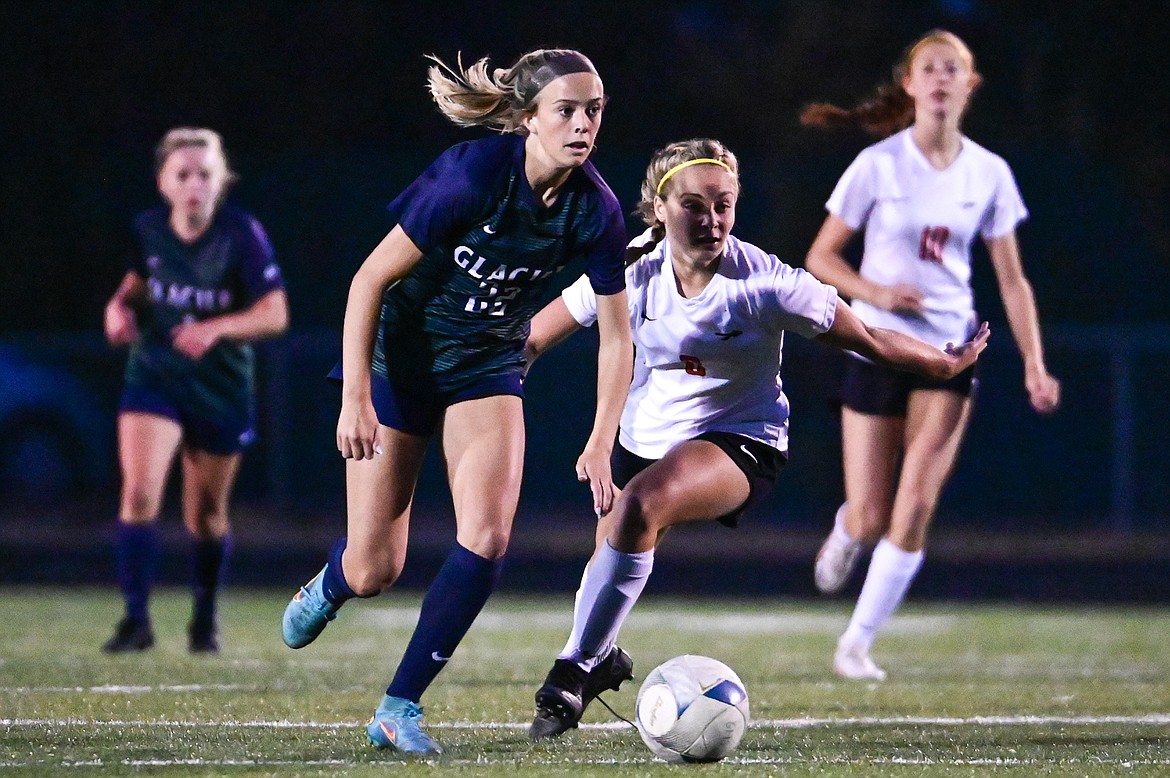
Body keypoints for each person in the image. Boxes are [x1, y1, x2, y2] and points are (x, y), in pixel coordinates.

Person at [522, 138, 990, 740]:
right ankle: (599, 656)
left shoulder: (765, 281)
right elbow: (535, 337)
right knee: (608, 560)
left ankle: (567, 675)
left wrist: (941, 365)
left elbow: (869, 338)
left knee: (638, 504)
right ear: (659, 207)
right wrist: (466, 377)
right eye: (694, 204)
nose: (712, 219)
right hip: (646, 439)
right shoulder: (629, 269)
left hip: (741, 440)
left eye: (724, 204)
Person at [279, 49, 633, 755]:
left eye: (594, 109)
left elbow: (618, 338)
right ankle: (336, 579)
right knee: (377, 568)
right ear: (527, 118)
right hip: (401, 362)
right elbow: (367, 281)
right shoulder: (473, 174)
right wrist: (356, 397)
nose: (584, 122)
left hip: (486, 365)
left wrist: (600, 440)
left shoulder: (597, 209)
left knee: (489, 536)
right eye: (566, 108)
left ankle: (398, 707)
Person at [799, 29, 1061, 682]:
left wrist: (1034, 361)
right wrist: (877, 290)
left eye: (954, 69)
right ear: (910, 85)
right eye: (929, 68)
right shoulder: (879, 165)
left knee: (915, 504)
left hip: (951, 350)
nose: (941, 78)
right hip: (879, 343)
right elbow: (820, 256)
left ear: (969, 85)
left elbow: (1011, 279)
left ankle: (856, 643)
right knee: (868, 515)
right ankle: (848, 529)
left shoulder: (988, 172)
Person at [101, 127, 289, 654]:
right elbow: (136, 286)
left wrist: (215, 328)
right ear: (163, 182)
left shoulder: (242, 233)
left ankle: (203, 621)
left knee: (203, 515)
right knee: (138, 494)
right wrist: (118, 308)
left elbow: (275, 313)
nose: (194, 185)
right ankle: (135, 621)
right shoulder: (146, 229)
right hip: (155, 373)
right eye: (182, 174)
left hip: (220, 385)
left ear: (221, 180)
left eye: (204, 174)